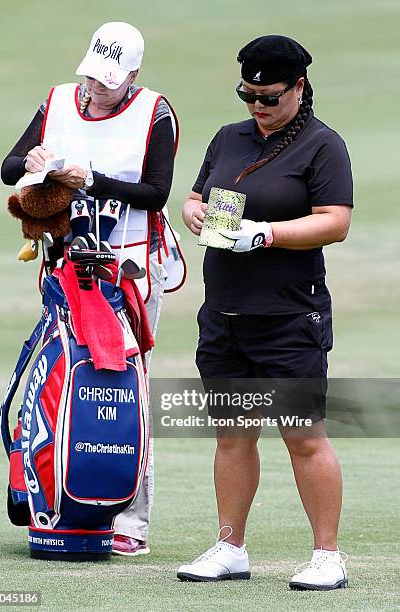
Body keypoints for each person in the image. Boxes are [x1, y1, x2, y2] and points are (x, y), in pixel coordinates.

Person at [1, 21, 185, 557]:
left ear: (133, 73)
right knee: (60, 381)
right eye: (92, 77)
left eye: (108, 80)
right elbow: (10, 165)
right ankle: (57, 499)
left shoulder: (155, 112)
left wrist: (92, 181)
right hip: (64, 271)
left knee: (124, 389)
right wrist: (33, 165)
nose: (96, 90)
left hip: (126, 274)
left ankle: (130, 521)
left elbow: (155, 193)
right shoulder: (58, 100)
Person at [177, 35, 353, 590]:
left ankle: (327, 555)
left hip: (287, 316)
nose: (256, 106)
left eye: (269, 96)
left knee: (303, 434)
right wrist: (196, 213)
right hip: (225, 311)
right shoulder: (230, 138)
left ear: (298, 87)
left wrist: (267, 234)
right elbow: (195, 195)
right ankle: (230, 546)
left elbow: (335, 221)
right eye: (246, 94)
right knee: (233, 434)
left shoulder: (323, 146)